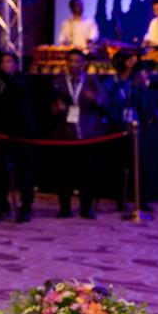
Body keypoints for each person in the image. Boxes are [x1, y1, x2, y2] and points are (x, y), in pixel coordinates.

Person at [51, 49, 108, 219]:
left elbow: (105, 102)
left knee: (87, 174)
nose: (74, 64)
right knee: (64, 174)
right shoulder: (58, 82)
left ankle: (86, 208)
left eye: (77, 61)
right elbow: (51, 107)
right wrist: (56, 109)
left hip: (87, 133)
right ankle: (64, 208)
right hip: (65, 134)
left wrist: (95, 99)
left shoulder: (92, 82)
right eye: (71, 61)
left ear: (83, 64)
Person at [0, 51, 35, 223]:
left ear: (16, 64)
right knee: (0, 173)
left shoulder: (22, 79)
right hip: (3, 134)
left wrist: (0, 73)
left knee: (25, 173)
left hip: (23, 134)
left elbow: (18, 90)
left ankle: (26, 207)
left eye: (9, 61)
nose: (6, 65)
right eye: (3, 62)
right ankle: (1, 205)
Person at [105, 50, 150, 212]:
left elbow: (143, 104)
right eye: (129, 59)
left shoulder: (137, 80)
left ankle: (141, 200)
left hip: (135, 126)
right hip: (117, 127)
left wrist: (142, 87)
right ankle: (120, 199)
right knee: (119, 163)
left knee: (139, 164)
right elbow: (108, 103)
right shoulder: (112, 81)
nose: (132, 62)